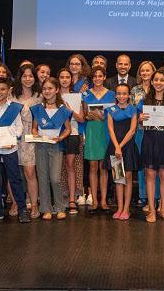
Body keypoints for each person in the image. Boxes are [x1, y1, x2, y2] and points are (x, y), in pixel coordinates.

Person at [0, 77, 28, 223]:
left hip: (10, 149)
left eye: (2, 89)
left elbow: (19, 128)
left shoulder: (15, 107)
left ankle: (22, 209)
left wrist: (10, 139)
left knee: (15, 179)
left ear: (9, 90)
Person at [138, 70, 164, 222]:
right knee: (149, 175)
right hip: (149, 140)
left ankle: (163, 209)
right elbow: (140, 121)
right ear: (152, 81)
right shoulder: (145, 99)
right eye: (156, 80)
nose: (158, 83)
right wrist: (140, 118)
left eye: (162, 80)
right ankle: (151, 210)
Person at [31, 77, 72, 220]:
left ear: (57, 90)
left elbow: (68, 129)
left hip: (56, 147)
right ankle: (46, 208)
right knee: (42, 178)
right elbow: (34, 128)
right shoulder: (38, 109)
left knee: (55, 178)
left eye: (50, 88)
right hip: (40, 146)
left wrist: (60, 138)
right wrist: (35, 135)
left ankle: (60, 207)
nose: (47, 91)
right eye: (44, 89)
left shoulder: (63, 110)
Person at [104, 83, 139, 220]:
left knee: (128, 178)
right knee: (119, 179)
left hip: (128, 147)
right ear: (115, 95)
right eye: (119, 93)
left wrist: (121, 146)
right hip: (115, 147)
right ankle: (119, 208)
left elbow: (132, 131)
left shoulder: (133, 109)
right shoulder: (111, 110)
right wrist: (117, 147)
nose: (121, 96)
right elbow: (110, 129)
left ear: (129, 95)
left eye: (124, 93)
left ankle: (126, 209)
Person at [82, 65, 115, 213]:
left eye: (100, 76)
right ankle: (94, 200)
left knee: (104, 167)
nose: (97, 79)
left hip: (106, 132)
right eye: (95, 76)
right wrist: (88, 116)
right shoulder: (85, 95)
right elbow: (83, 116)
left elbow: (115, 114)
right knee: (93, 167)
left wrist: (104, 116)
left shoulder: (112, 94)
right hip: (91, 131)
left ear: (104, 77)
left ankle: (103, 201)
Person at [13, 64, 42, 217]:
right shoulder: (12, 94)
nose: (28, 79)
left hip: (31, 138)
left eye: (31, 76)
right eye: (25, 76)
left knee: (30, 172)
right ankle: (16, 203)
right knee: (13, 173)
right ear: (20, 77)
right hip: (13, 138)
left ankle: (34, 205)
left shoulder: (39, 96)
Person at [58, 67, 85, 213]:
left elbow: (81, 118)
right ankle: (60, 197)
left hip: (73, 134)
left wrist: (70, 111)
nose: (64, 79)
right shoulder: (52, 95)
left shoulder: (76, 96)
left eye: (67, 77)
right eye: (62, 77)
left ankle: (72, 199)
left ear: (71, 79)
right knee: (57, 168)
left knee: (70, 165)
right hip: (54, 134)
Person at [130, 61, 157, 208]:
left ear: (154, 72)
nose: (145, 73)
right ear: (139, 73)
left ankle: (156, 196)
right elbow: (131, 111)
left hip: (157, 133)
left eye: (148, 70)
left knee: (155, 165)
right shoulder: (135, 90)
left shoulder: (159, 88)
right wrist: (137, 117)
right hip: (140, 132)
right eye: (143, 71)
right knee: (142, 165)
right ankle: (143, 195)